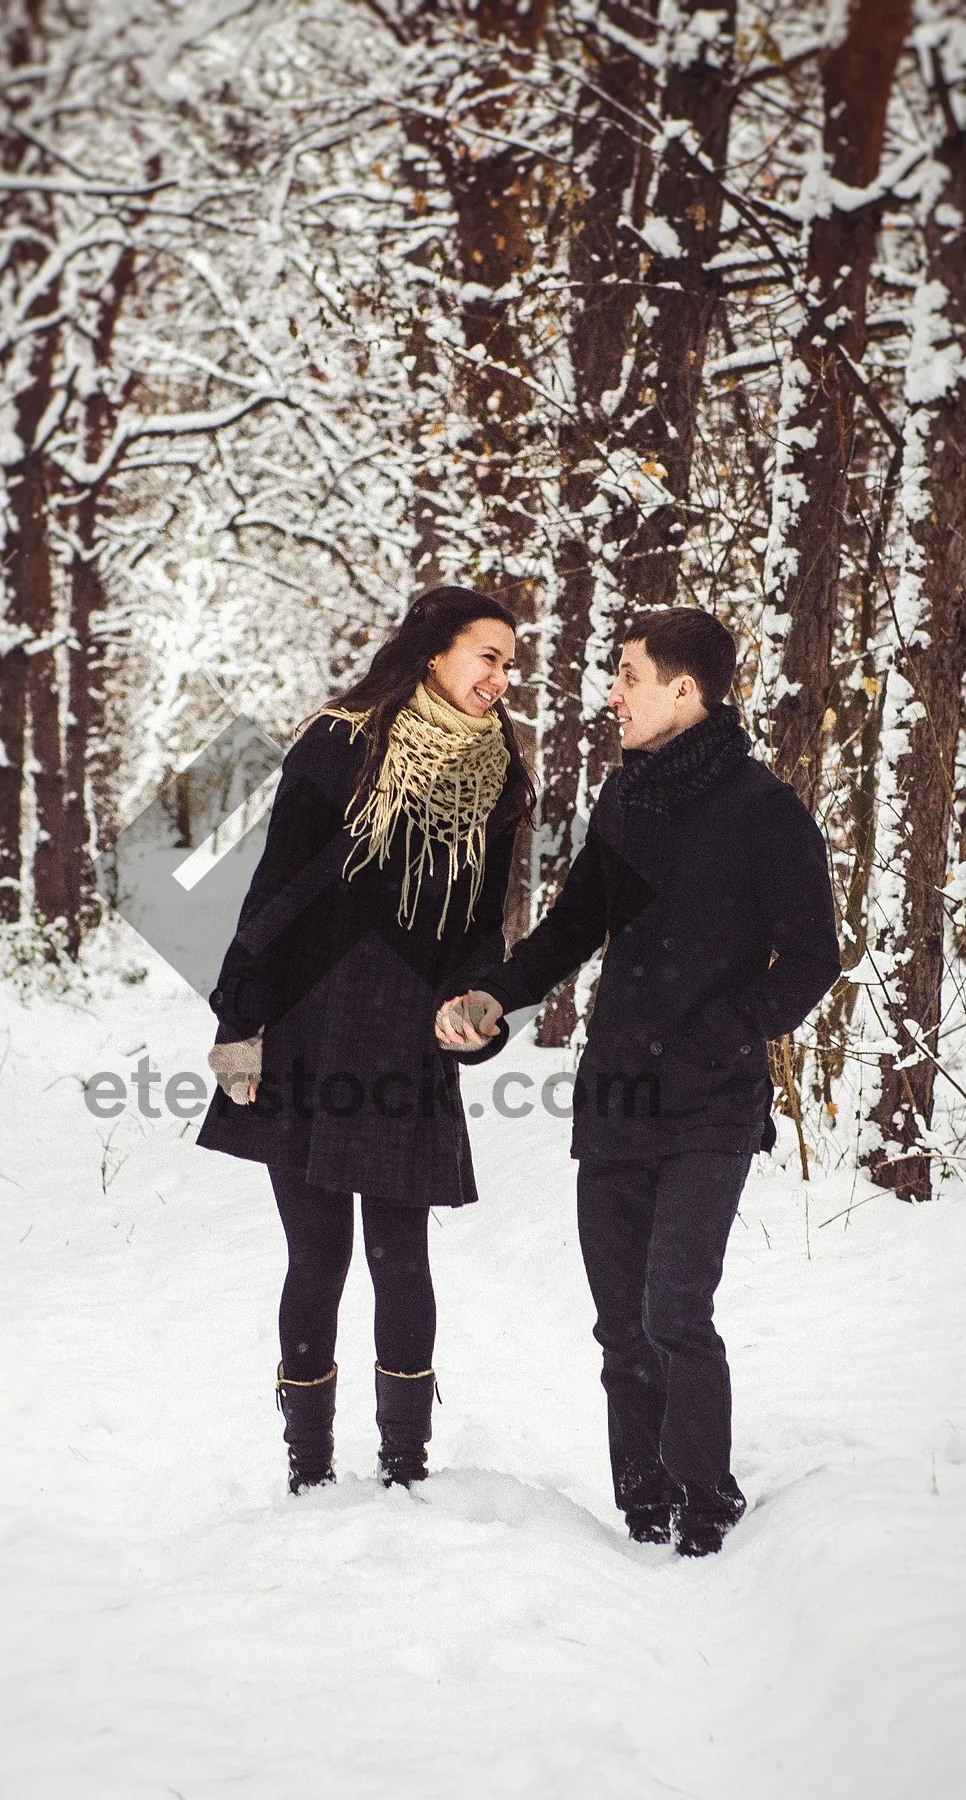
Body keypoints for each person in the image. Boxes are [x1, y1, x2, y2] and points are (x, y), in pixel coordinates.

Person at [435, 608, 841, 1557]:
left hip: (710, 1106)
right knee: (622, 1323)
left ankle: (707, 1501)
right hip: (616, 1098)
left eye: (627, 677)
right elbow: (574, 925)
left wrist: (720, 1038)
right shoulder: (627, 803)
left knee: (673, 1311)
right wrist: (496, 996)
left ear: (684, 691)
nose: (611, 694)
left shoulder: (764, 811)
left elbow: (812, 957)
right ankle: (642, 1502)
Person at [197, 588, 536, 1495]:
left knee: (401, 1255)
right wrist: (241, 1022)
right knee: (318, 1255)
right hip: (308, 1027)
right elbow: (274, 892)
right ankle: (309, 1468)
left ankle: (405, 1470)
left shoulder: (502, 771)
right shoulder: (340, 743)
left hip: (406, 1041)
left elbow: (481, 922)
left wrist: (475, 1005)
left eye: (510, 663)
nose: (503, 678)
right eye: (488, 656)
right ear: (434, 652)